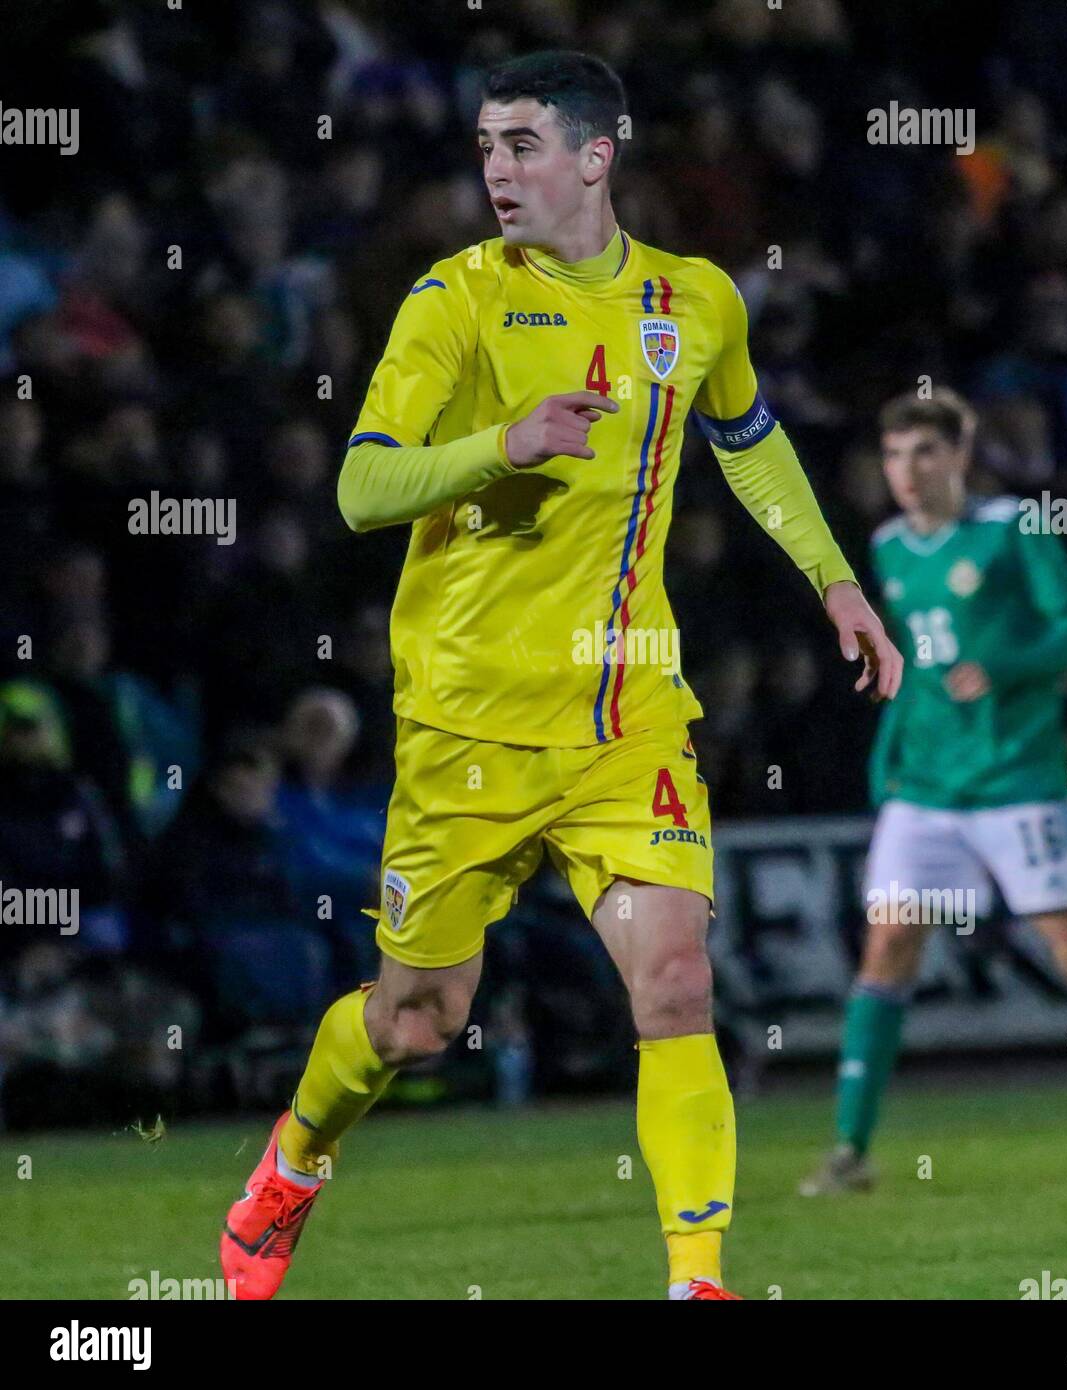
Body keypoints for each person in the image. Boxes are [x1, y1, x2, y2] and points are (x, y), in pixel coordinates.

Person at [219, 49, 901, 1301]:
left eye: (521, 144)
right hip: (465, 722)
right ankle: (294, 1164)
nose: (495, 170)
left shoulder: (694, 302)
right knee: (415, 1022)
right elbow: (360, 488)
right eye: (484, 146)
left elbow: (748, 440)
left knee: (677, 977)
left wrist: (835, 580)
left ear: (598, 154)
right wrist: (500, 445)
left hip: (628, 712)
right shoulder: (454, 302)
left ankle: (696, 1281)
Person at [800, 389, 1067, 1197]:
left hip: (1020, 782)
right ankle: (848, 1152)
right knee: (888, 948)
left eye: (924, 453)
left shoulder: (1015, 529)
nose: (906, 471)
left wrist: (1006, 666)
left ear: (958, 456)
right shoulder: (889, 547)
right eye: (896, 455)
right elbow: (906, 663)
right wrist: (886, 763)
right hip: (928, 791)